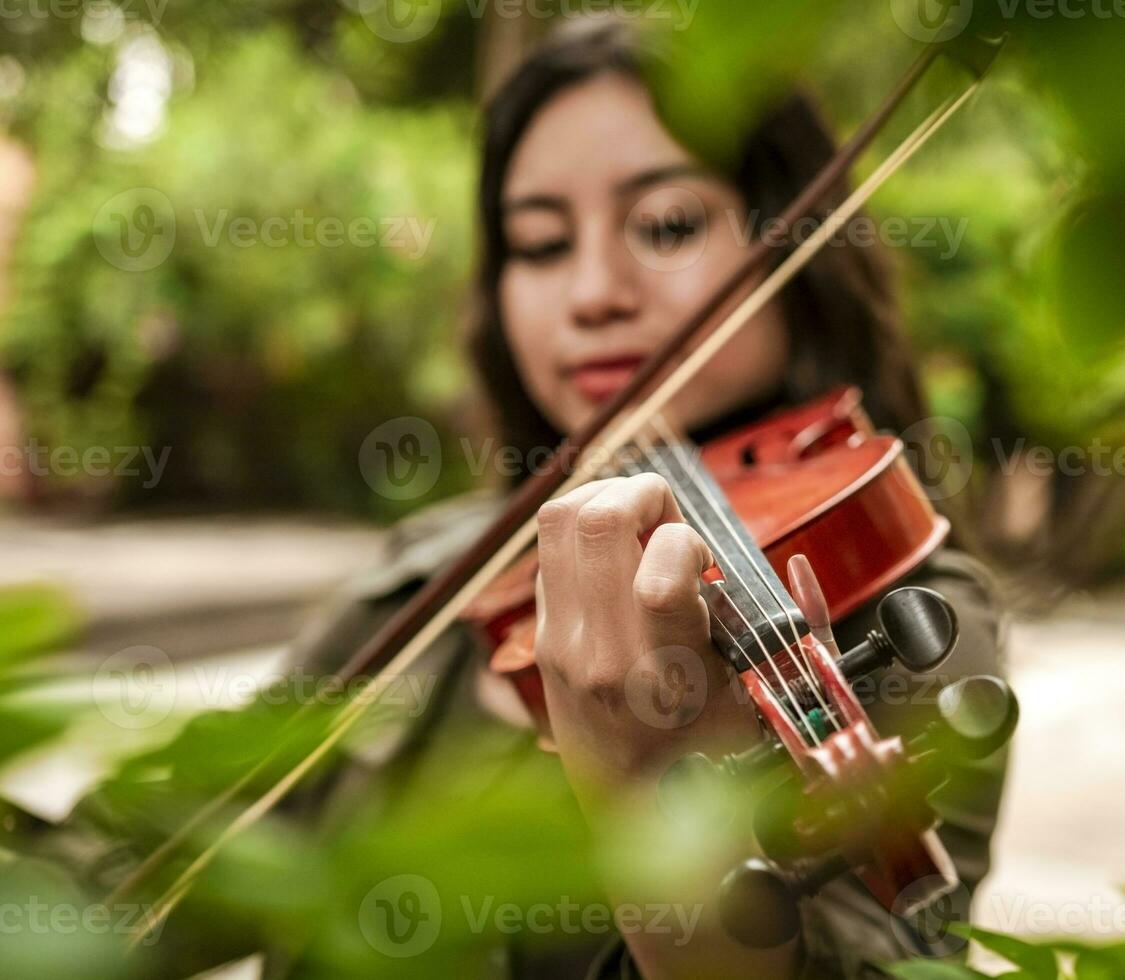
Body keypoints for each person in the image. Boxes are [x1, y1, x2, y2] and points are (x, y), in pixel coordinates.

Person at [45, 16, 1007, 980]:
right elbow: (126, 868)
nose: (593, 291)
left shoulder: (909, 602)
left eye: (667, 224)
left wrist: (659, 832)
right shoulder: (439, 571)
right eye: (541, 244)